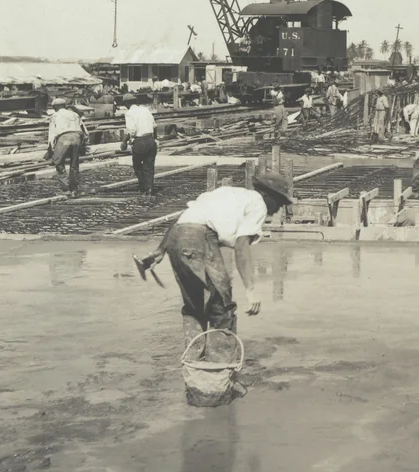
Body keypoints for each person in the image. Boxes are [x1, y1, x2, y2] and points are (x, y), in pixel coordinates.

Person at [135, 170, 295, 351]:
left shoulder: (226, 193)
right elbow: (242, 248)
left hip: (176, 236)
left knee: (194, 305)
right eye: (279, 202)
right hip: (201, 238)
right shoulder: (258, 204)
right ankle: (222, 367)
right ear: (266, 194)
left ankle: (194, 361)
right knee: (221, 305)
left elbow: (185, 219)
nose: (279, 208)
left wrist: (160, 251)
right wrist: (250, 290)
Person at [46, 97, 88, 195]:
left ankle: (66, 189)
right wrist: (83, 144)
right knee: (74, 165)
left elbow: (52, 134)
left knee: (58, 162)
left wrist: (51, 150)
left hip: (63, 138)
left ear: (56, 107)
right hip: (77, 137)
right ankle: (74, 188)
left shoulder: (54, 116)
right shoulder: (75, 114)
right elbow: (85, 131)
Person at [120, 93, 158, 196]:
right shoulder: (145, 110)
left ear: (126, 103)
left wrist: (124, 141)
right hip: (150, 140)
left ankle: (143, 186)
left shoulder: (129, 113)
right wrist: (155, 139)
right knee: (149, 166)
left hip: (140, 141)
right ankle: (149, 188)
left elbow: (131, 130)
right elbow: (154, 125)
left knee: (137, 165)